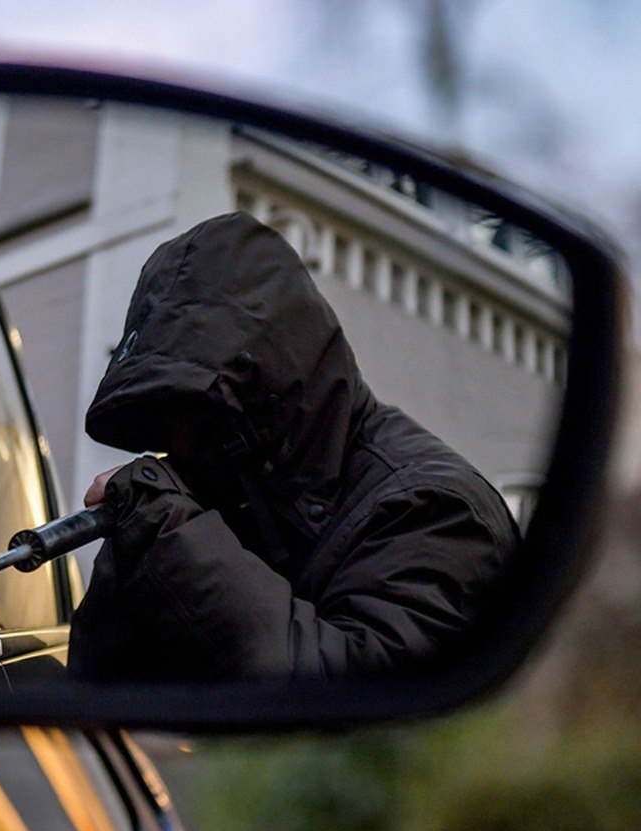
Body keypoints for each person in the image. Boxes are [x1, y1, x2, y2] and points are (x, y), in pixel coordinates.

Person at [67, 212, 519, 681]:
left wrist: (166, 533)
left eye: (196, 411)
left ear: (270, 386)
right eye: (164, 416)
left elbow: (354, 712)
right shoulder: (221, 502)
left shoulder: (438, 512)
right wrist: (136, 547)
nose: (177, 441)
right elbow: (98, 688)